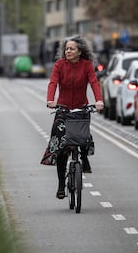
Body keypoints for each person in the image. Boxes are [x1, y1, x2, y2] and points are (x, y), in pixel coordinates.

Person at [43, 35, 104, 199]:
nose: (68, 51)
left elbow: (94, 83)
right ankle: (61, 185)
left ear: (80, 51)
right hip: (62, 109)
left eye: (72, 49)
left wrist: (98, 101)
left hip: (81, 108)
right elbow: (53, 83)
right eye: (66, 48)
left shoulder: (86, 66)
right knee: (62, 149)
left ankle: (84, 156)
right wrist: (51, 100)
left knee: (82, 136)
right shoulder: (59, 65)